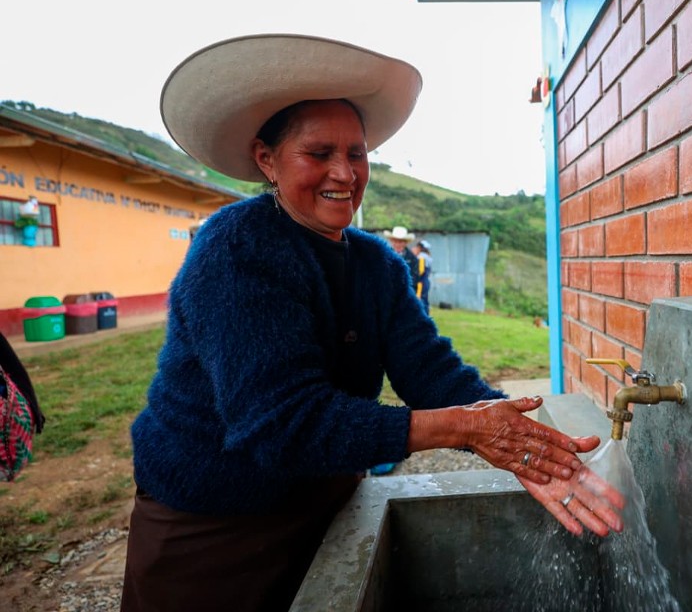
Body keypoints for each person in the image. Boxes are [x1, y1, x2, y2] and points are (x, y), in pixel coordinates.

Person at [121, 33, 623, 612]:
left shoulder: (376, 263)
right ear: (267, 160)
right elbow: (282, 424)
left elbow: (431, 370)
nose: (345, 173)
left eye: (357, 154)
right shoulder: (237, 249)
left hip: (328, 498)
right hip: (212, 525)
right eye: (319, 153)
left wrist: (519, 440)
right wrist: (462, 428)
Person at [384, 225, 420, 294]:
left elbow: (415, 279)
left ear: (406, 243)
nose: (397, 244)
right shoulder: (385, 256)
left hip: (406, 293)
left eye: (400, 242)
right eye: (395, 241)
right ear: (391, 241)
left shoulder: (412, 259)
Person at [412, 239, 433, 314]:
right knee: (425, 299)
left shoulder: (421, 256)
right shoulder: (429, 257)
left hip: (421, 281)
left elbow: (420, 270)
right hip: (426, 280)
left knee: (420, 299)